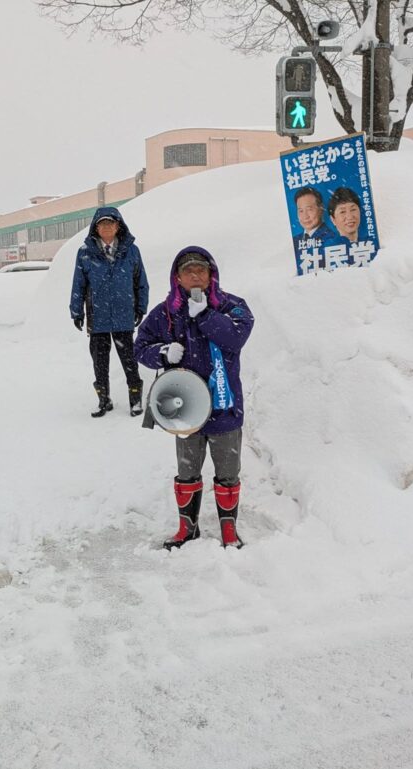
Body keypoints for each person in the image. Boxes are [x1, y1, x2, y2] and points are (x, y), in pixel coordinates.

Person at [135, 247, 254, 550]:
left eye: (201, 270)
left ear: (211, 274)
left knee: (228, 473)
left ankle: (229, 530)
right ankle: (187, 528)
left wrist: (205, 315)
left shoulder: (232, 306)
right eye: (188, 271)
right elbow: (140, 347)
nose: (195, 275)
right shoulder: (165, 313)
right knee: (187, 471)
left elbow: (235, 338)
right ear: (177, 277)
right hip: (185, 410)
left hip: (225, 407)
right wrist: (162, 352)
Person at [70, 206, 149, 417]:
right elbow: (78, 284)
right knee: (100, 362)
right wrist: (76, 311)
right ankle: (103, 400)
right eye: (102, 223)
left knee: (129, 360)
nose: (106, 227)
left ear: (118, 226)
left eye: (110, 223)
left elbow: (141, 281)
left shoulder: (131, 251)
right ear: (96, 228)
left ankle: (135, 400)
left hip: (124, 314)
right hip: (98, 317)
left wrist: (141, 307)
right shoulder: (85, 253)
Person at [292, 186, 337, 274]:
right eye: (301, 211)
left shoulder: (332, 239)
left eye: (309, 209)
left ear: (321, 209)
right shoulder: (295, 241)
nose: (305, 216)